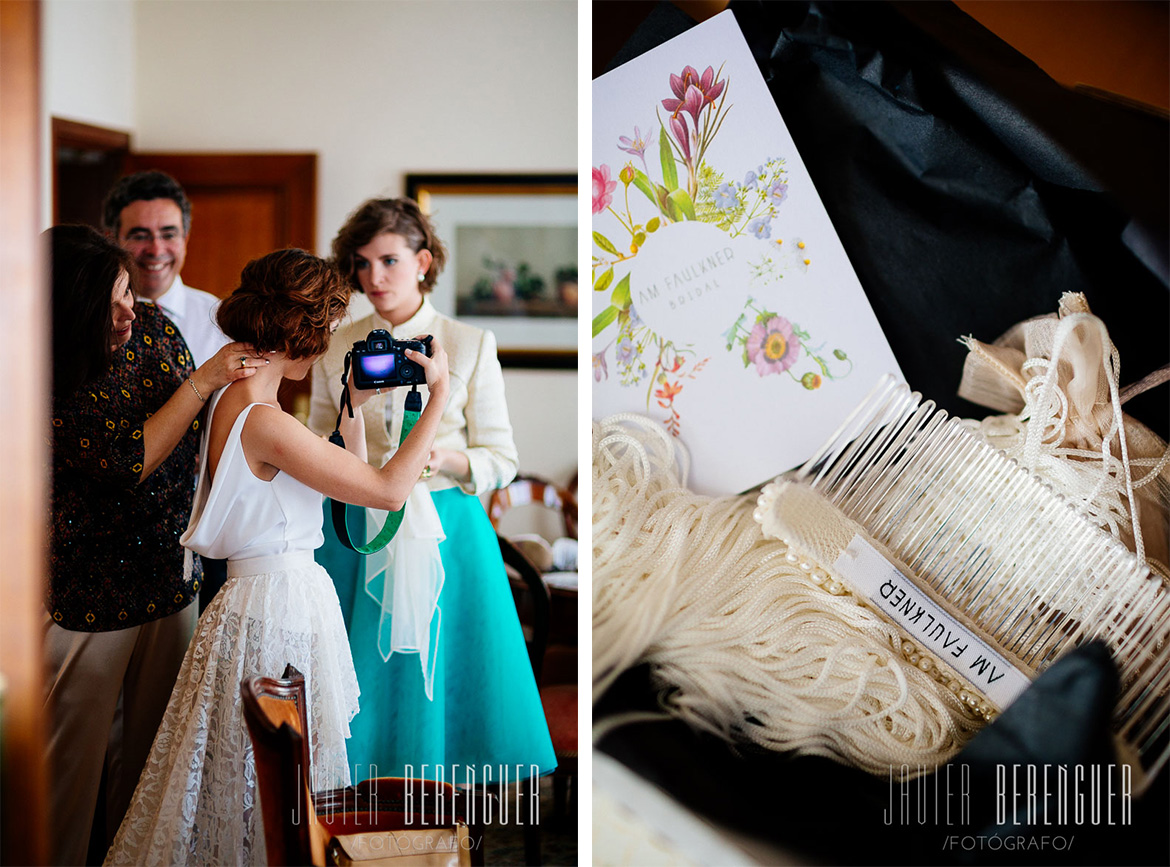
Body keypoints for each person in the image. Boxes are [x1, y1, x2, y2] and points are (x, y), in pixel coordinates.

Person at [105, 248, 451, 865]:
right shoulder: (266, 421)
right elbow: (389, 490)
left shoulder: (230, 405)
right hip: (276, 607)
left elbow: (343, 474)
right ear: (302, 336)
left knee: (250, 782)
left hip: (256, 600)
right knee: (269, 787)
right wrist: (441, 394)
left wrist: (352, 411)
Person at [307, 197, 555, 781]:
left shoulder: (468, 343)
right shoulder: (335, 344)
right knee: (358, 669)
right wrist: (350, 426)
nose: (374, 278)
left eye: (389, 261)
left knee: (444, 674)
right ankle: (359, 817)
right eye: (362, 264)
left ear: (422, 262)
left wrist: (443, 457)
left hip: (449, 530)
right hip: (354, 529)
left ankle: (437, 821)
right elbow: (316, 444)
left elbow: (503, 458)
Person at [45, 224, 260, 867]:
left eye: (126, 293)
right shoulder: (50, 377)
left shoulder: (155, 326)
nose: (126, 313)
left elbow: (200, 430)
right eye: (107, 304)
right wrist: (203, 380)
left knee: (154, 771)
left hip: (170, 575)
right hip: (87, 592)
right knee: (68, 774)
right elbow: (125, 460)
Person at [102, 169, 232, 612]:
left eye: (168, 234)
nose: (156, 250)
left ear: (186, 237)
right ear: (110, 238)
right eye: (139, 235)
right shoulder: (83, 324)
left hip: (203, 525)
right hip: (102, 536)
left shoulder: (220, 321)